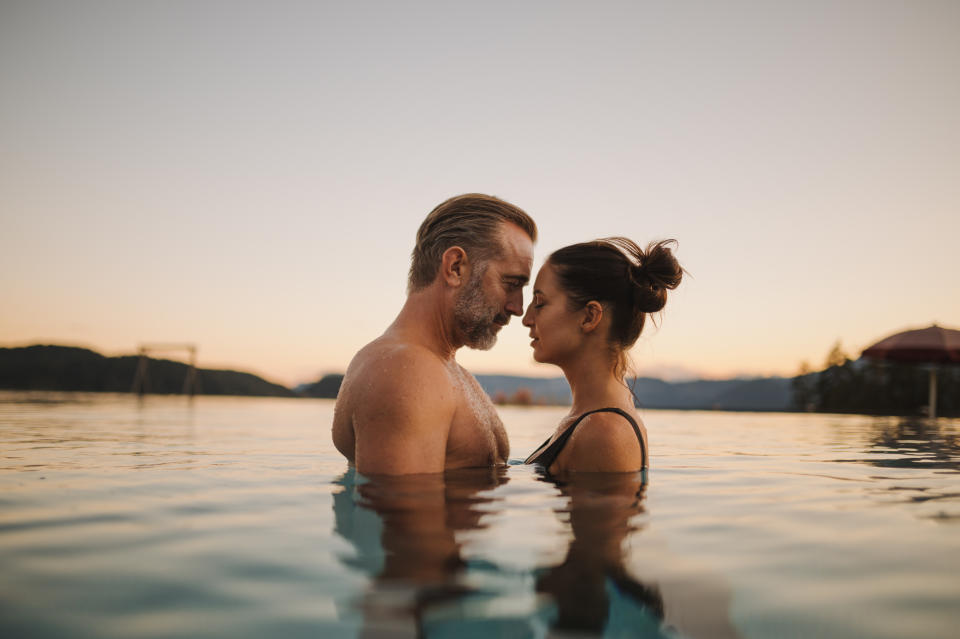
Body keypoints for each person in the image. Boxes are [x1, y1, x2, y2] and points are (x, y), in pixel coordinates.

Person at [332, 193, 537, 475]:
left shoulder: (441, 368)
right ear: (455, 268)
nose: (518, 308)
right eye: (511, 283)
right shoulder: (408, 371)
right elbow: (407, 517)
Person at [522, 238, 683, 473]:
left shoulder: (604, 431)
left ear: (589, 317)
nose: (526, 319)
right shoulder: (590, 421)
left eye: (539, 302)